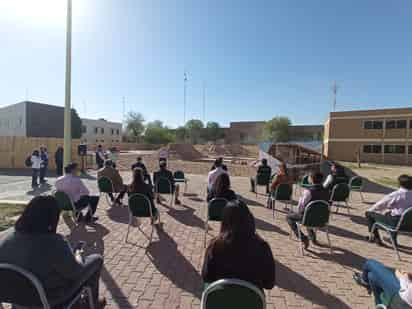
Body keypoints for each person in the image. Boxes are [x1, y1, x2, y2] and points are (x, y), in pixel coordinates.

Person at [0, 196, 106, 308]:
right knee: (97, 259)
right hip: (49, 298)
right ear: (52, 217)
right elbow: (75, 272)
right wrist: (78, 254)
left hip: (15, 297)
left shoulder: (8, 239)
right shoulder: (54, 242)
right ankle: (91, 303)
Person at [202, 200, 276, 290]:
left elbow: (206, 277)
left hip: (219, 301)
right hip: (252, 302)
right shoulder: (263, 247)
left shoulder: (215, 246)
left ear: (225, 221)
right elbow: (269, 284)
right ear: (249, 219)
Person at [365, 174, 412, 246]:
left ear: (400, 184)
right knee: (390, 214)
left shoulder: (396, 194)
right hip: (409, 225)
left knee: (368, 213)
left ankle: (376, 238)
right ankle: (392, 239)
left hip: (396, 224)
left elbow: (379, 205)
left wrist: (372, 210)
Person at [286, 171, 329, 249]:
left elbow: (300, 207)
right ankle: (313, 238)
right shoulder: (327, 191)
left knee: (289, 217)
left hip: (309, 218)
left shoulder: (308, 191)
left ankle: (303, 238)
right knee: (308, 215)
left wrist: (297, 211)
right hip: (322, 219)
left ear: (311, 179)